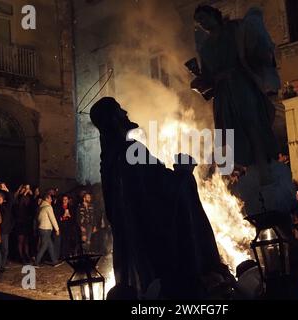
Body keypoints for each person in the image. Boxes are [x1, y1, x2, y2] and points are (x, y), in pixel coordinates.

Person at [90, 97, 224, 299]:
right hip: (154, 244)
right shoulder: (131, 151)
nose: (125, 113)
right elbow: (162, 190)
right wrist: (184, 172)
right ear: (113, 119)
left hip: (132, 244)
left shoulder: (108, 159)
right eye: (119, 110)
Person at [191, 5, 280, 185]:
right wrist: (200, 81)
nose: (202, 23)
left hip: (241, 83)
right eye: (199, 21)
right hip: (224, 93)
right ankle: (249, 171)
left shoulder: (234, 29)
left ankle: (263, 166)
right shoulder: (205, 47)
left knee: (252, 122)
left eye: (203, 17)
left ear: (213, 14)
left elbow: (252, 45)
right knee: (232, 133)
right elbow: (209, 76)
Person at [34, 192, 61, 267]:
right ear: (46, 199)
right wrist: (57, 229)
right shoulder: (48, 207)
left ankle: (54, 261)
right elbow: (52, 218)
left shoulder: (41, 207)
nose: (51, 200)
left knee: (50, 245)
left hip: (42, 228)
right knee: (44, 246)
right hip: (46, 229)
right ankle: (36, 262)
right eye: (50, 198)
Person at [13, 184, 34, 263]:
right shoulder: (18, 198)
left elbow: (31, 206)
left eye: (28, 188)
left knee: (26, 240)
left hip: (27, 222)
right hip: (19, 221)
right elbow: (20, 206)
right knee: (20, 240)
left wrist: (32, 195)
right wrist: (24, 194)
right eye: (25, 188)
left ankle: (27, 255)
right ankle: (21, 257)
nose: (26, 190)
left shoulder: (28, 197)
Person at [55, 195, 77, 259]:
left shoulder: (71, 207)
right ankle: (62, 255)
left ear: (68, 200)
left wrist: (69, 215)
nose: (65, 201)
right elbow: (57, 217)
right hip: (62, 226)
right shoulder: (59, 207)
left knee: (68, 240)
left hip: (69, 226)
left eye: (66, 199)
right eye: (64, 199)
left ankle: (67, 254)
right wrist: (63, 216)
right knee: (62, 240)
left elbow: (74, 218)